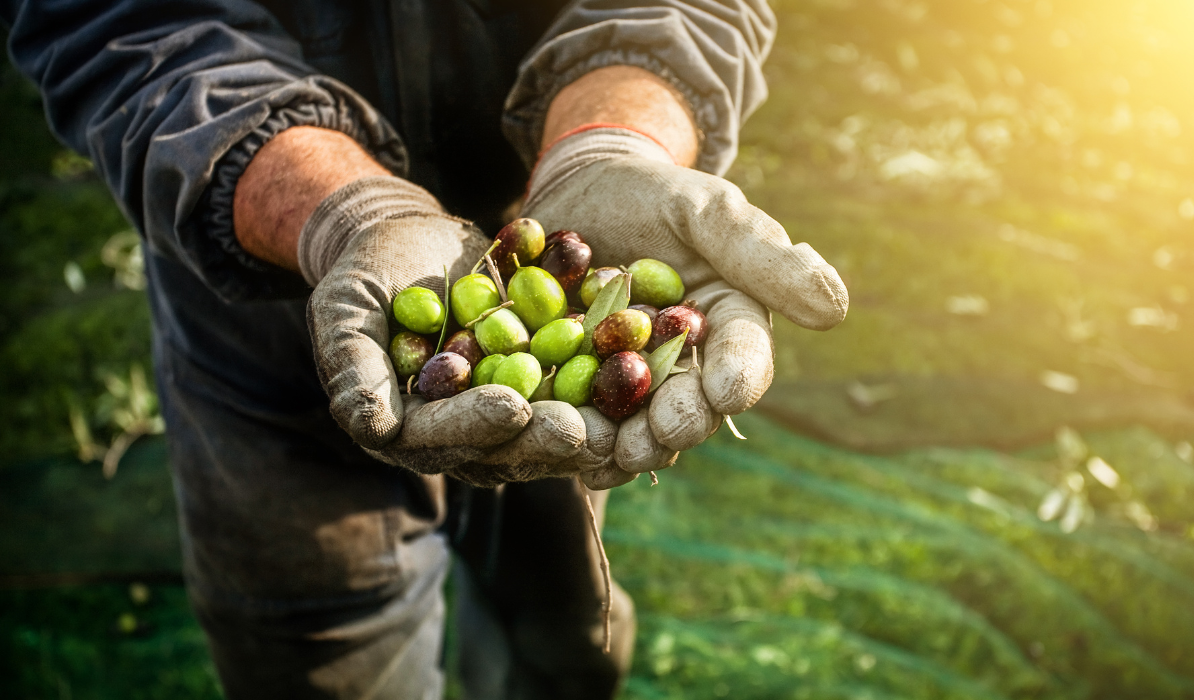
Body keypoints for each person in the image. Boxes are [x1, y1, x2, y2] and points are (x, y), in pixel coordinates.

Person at [2, 1, 847, 697]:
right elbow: (118, 24)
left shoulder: (565, 323)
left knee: (562, 624)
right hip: (263, 303)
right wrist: (346, 214)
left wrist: (611, 139)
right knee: (319, 652)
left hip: (553, 225)